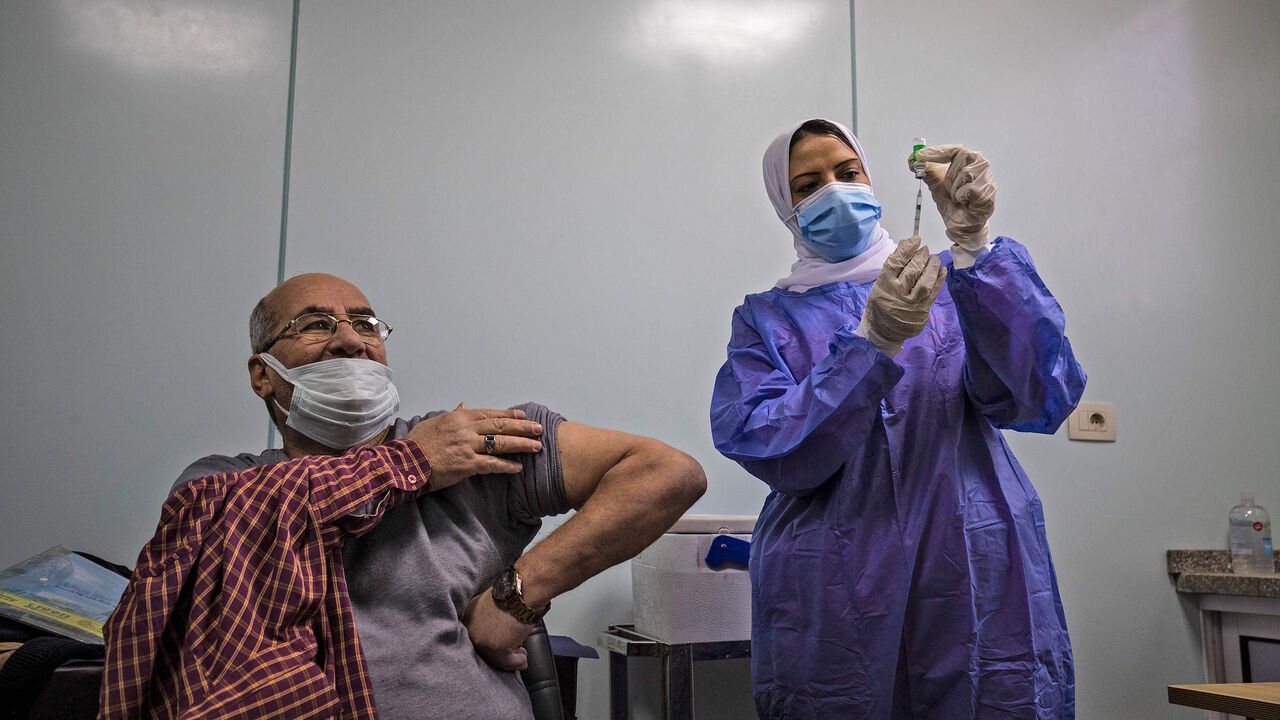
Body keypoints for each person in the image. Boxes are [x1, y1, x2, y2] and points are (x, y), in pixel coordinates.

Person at [139, 272, 706, 719]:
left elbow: (665, 472)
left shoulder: (470, 447)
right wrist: (412, 463)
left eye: (365, 324)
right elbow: (236, 526)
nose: (348, 341)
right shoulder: (218, 486)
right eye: (315, 325)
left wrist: (518, 595)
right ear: (262, 375)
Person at [710, 119, 1085, 718]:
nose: (833, 190)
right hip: (834, 579)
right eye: (807, 184)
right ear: (786, 207)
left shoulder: (952, 281)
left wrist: (977, 247)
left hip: (973, 556)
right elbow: (764, 442)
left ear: (870, 176)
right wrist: (869, 342)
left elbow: (1041, 394)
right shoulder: (766, 321)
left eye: (847, 172)